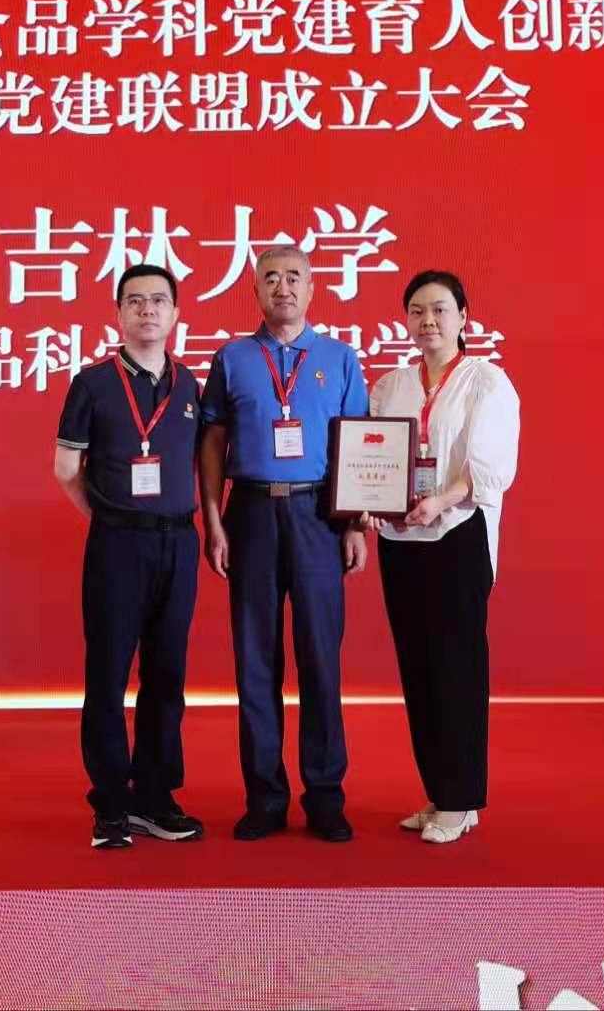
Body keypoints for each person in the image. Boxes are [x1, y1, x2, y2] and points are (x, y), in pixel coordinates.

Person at [199, 245, 369, 842]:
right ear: (255, 290)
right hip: (250, 512)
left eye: (294, 276)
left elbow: (358, 443)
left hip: (318, 514)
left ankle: (325, 796)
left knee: (321, 657)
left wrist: (355, 524)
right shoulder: (232, 357)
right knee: (255, 659)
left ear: (313, 287)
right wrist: (213, 521)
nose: (283, 287)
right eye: (270, 278)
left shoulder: (339, 358)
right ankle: (265, 797)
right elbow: (212, 441)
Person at [55, 263, 206, 849]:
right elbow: (67, 470)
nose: (148, 310)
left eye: (159, 301)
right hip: (118, 543)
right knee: (109, 674)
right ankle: (111, 805)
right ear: (118, 313)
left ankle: (155, 797)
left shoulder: (190, 386)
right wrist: (108, 516)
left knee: (167, 675)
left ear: (175, 314)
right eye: (135, 301)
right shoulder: (92, 383)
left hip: (179, 541)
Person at [367, 269, 520, 844]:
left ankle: (461, 800)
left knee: (458, 667)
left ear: (463, 318)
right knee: (418, 667)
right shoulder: (391, 385)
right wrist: (371, 505)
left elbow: (488, 469)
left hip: (457, 533)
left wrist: (439, 501)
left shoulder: (486, 381)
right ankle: (439, 792)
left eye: (439, 310)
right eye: (416, 311)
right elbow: (372, 459)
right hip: (401, 540)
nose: (427, 321)